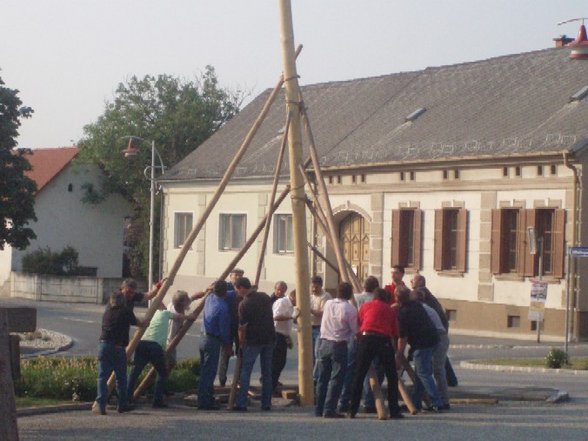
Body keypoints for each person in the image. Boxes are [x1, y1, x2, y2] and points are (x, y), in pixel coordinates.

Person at [127, 293, 195, 408]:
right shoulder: (165, 313)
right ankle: (157, 400)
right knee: (162, 373)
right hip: (155, 346)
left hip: (142, 344)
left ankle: (127, 398)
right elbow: (179, 317)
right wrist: (190, 317)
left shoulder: (151, 315)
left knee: (135, 373)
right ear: (160, 306)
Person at [348, 288, 403, 419]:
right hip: (383, 340)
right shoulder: (390, 310)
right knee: (391, 376)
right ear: (385, 299)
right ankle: (394, 410)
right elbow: (395, 332)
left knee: (359, 374)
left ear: (374, 297)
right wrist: (396, 352)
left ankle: (352, 410)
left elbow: (360, 322)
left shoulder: (365, 306)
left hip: (366, 338)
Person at [92, 292, 147, 415]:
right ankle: (122, 404)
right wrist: (145, 322)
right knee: (121, 378)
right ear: (122, 301)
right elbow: (138, 323)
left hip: (103, 345)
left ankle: (101, 404)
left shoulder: (107, 312)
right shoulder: (125, 311)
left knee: (102, 377)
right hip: (118, 347)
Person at [396, 286, 444, 412]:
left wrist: (399, 354)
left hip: (422, 344)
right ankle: (415, 402)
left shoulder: (404, 313)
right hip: (433, 340)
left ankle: (436, 402)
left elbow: (403, 337)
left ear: (397, 298)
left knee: (424, 374)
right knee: (420, 374)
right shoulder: (416, 305)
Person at [315, 282, 358, 418]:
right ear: (350, 294)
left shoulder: (328, 304)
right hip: (339, 344)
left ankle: (319, 408)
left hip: (324, 342)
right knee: (336, 379)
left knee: (322, 378)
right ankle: (329, 409)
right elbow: (355, 330)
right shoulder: (350, 309)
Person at [338, 275, 380, 413]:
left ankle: (344, 401)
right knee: (370, 370)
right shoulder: (375, 300)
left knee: (350, 370)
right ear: (376, 288)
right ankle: (369, 402)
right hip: (369, 337)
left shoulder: (354, 298)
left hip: (354, 336)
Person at [233, 277, 275, 411]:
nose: (237, 292)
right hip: (269, 337)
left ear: (241, 288)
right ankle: (266, 403)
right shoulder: (265, 297)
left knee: (246, 371)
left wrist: (240, 343)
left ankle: (241, 403)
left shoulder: (244, 304)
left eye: (237, 289)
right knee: (267, 372)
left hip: (253, 340)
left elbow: (242, 327)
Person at [411, 275, 451, 409]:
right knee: (424, 370)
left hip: (438, 336)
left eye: (413, 280)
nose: (411, 282)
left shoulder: (424, 304)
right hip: (437, 336)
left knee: (437, 369)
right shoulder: (429, 299)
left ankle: (442, 401)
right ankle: (419, 401)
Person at [198, 280, 231, 410]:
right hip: (212, 340)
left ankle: (205, 398)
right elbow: (223, 329)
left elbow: (209, 291)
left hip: (203, 337)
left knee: (204, 371)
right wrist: (227, 344)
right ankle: (205, 402)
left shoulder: (210, 298)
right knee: (209, 372)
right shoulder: (223, 307)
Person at [218, 268, 243, 387]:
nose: (238, 277)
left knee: (241, 350)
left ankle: (238, 379)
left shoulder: (243, 287)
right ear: (230, 276)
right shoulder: (226, 287)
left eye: (240, 275)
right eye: (236, 275)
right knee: (225, 351)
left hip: (239, 324)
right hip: (228, 324)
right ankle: (222, 378)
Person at [271, 281, 294, 393]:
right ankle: (271, 385)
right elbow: (275, 317)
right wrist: (290, 317)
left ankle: (273, 383)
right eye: (278, 289)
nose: (279, 292)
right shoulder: (282, 303)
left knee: (281, 362)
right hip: (276, 334)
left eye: (282, 290)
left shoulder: (289, 304)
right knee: (276, 361)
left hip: (283, 335)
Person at [310, 276, 332, 376]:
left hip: (319, 328)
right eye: (312, 287)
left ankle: (315, 377)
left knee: (318, 354)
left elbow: (323, 313)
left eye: (316, 287)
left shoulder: (325, 296)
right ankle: (310, 376)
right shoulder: (310, 296)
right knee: (309, 355)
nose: (314, 289)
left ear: (321, 286)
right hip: (309, 327)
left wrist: (310, 310)